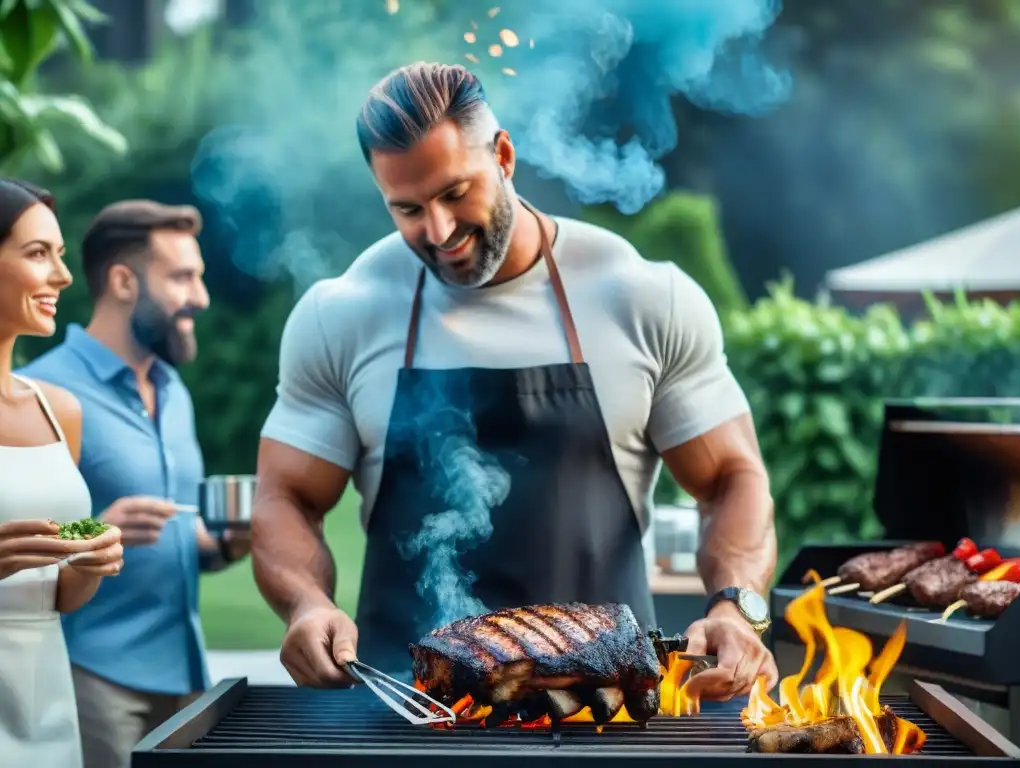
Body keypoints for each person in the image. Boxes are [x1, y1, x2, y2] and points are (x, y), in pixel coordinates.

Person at [251, 62, 778, 702]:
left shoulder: (641, 297)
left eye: (454, 193)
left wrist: (735, 606)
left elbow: (732, 477)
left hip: (606, 715)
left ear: (503, 154)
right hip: (405, 714)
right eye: (408, 208)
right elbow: (286, 496)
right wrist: (305, 603)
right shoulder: (343, 313)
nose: (439, 231)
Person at [19, 199, 250, 768]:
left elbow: (177, 536)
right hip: (95, 679)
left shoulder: (174, 392)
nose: (201, 296)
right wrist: (97, 529)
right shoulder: (39, 393)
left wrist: (229, 542)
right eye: (182, 277)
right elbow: (16, 537)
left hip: (189, 678)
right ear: (124, 281)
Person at [0, 178, 124, 767]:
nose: (64, 276)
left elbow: (59, 596)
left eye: (62, 255)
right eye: (37, 253)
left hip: (46, 700)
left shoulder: (59, 411)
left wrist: (90, 562)